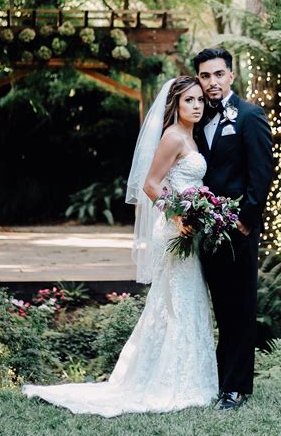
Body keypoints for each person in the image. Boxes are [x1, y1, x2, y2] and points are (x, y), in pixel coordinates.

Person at [23, 76, 218, 417]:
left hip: (188, 228)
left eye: (200, 99)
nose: (197, 105)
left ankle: (190, 377)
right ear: (176, 103)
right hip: (175, 229)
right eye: (190, 100)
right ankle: (175, 382)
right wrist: (177, 216)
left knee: (181, 301)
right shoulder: (173, 136)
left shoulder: (191, 135)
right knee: (178, 302)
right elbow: (150, 184)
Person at [193, 47, 274, 410]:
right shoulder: (194, 118)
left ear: (231, 75)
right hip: (203, 232)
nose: (212, 82)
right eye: (205, 76)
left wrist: (245, 222)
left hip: (237, 232)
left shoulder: (250, 116)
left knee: (239, 309)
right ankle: (215, 379)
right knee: (216, 308)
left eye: (218, 74)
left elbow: (261, 175)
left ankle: (236, 388)